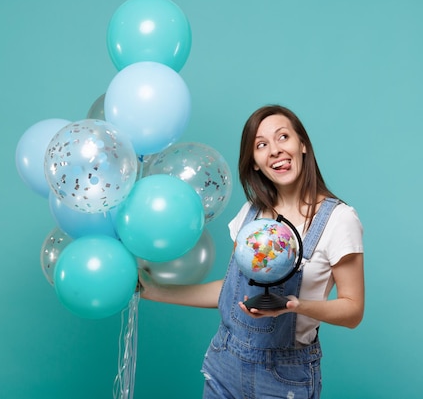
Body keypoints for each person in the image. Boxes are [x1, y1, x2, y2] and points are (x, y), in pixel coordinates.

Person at [139, 104, 365, 398]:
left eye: (283, 137)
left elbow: (352, 310)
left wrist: (296, 305)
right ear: (255, 162)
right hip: (224, 363)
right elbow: (232, 293)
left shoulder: (339, 219)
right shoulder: (251, 214)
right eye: (262, 145)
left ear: (303, 144)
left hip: (284, 378)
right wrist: (154, 290)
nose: (275, 150)